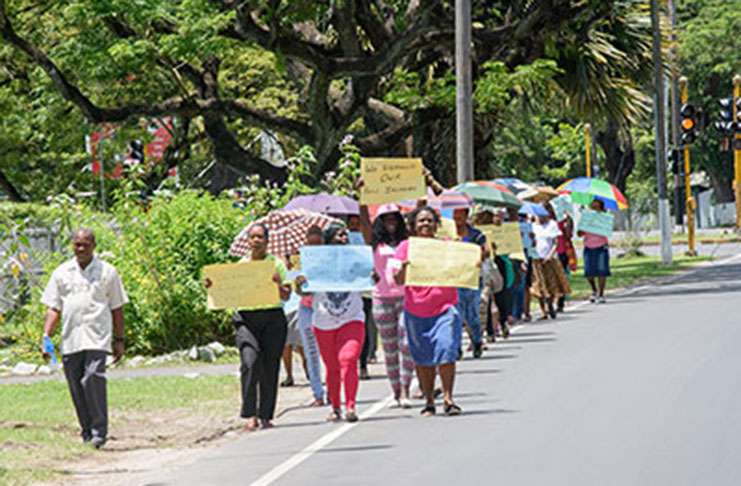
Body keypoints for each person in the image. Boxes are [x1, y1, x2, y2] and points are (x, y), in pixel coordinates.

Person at [40, 228, 129, 449]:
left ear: (94, 246)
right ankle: (87, 431)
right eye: (77, 244)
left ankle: (100, 431)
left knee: (93, 378)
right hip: (71, 338)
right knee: (76, 385)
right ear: (72, 245)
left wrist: (119, 339)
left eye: (85, 245)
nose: (80, 249)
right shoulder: (62, 272)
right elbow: (54, 307)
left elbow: (117, 307)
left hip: (97, 336)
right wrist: (46, 336)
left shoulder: (108, 272)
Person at [206, 223, 292, 431]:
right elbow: (229, 290)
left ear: (267, 241)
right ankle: (250, 414)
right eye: (252, 237)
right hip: (247, 319)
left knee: (270, 367)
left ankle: (266, 415)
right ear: (248, 241)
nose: (256, 241)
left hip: (272, 318)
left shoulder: (276, 264)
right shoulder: (241, 265)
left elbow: (287, 295)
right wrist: (213, 287)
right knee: (250, 363)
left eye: (260, 237)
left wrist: (278, 284)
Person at [393, 206, 465, 416]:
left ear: (436, 225)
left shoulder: (447, 246)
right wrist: (404, 268)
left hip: (446, 307)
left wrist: (473, 258)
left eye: (429, 221)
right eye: (421, 221)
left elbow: (465, 269)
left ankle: (449, 398)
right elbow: (397, 279)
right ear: (414, 226)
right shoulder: (405, 248)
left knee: (447, 349)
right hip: (416, 310)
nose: (425, 224)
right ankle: (430, 401)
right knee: (423, 357)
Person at [295, 223, 366, 423]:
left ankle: (350, 405)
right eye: (339, 235)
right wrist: (299, 285)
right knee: (332, 367)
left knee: (348, 359)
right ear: (329, 240)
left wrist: (372, 278)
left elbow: (369, 285)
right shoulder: (316, 262)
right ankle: (335, 407)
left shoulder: (356, 259)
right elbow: (304, 292)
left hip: (352, 318)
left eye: (346, 235)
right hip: (324, 322)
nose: (345, 238)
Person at [359, 202, 415, 408]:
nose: (391, 221)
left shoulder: (407, 242)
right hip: (382, 298)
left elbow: (419, 214)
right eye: (386, 218)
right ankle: (395, 391)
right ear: (380, 222)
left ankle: (406, 387)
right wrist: (362, 197)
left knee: (406, 344)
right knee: (390, 349)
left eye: (394, 217)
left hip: (405, 297)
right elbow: (364, 221)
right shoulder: (374, 244)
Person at [294, 226, 325, 407]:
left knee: (328, 353)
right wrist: (299, 284)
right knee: (311, 352)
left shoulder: (330, 260)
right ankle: (317, 394)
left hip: (325, 308)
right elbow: (298, 292)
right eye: (310, 244)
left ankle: (332, 390)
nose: (314, 248)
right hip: (306, 309)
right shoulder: (302, 260)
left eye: (317, 243)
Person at [452, 207, 487, 358]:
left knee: (472, 314)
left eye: (461, 214)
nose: (457, 217)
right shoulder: (447, 235)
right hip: (453, 279)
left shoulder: (476, 234)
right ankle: (456, 347)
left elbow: (486, 251)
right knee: (456, 315)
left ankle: (477, 341)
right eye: (455, 213)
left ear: (466, 215)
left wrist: (481, 256)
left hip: (472, 280)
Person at [531, 213, 571, 319]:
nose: (542, 217)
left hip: (550, 258)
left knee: (552, 283)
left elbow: (555, 242)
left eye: (544, 215)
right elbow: (530, 242)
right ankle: (543, 310)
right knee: (539, 284)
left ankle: (550, 304)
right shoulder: (532, 226)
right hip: (536, 258)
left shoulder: (552, 225)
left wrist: (550, 255)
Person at [579, 199, 611, 303]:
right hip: (588, 246)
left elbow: (607, 230)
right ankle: (594, 289)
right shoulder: (586, 217)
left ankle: (601, 294)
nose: (595, 209)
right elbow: (579, 233)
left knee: (602, 270)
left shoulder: (604, 218)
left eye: (597, 207)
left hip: (601, 246)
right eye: (593, 207)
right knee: (589, 272)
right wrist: (584, 229)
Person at [545, 203, 574, 313]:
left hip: (560, 252)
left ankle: (560, 302)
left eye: (549, 210)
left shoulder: (560, 222)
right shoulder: (540, 224)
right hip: (545, 254)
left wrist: (569, 221)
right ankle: (550, 301)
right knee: (549, 278)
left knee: (560, 277)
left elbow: (568, 235)